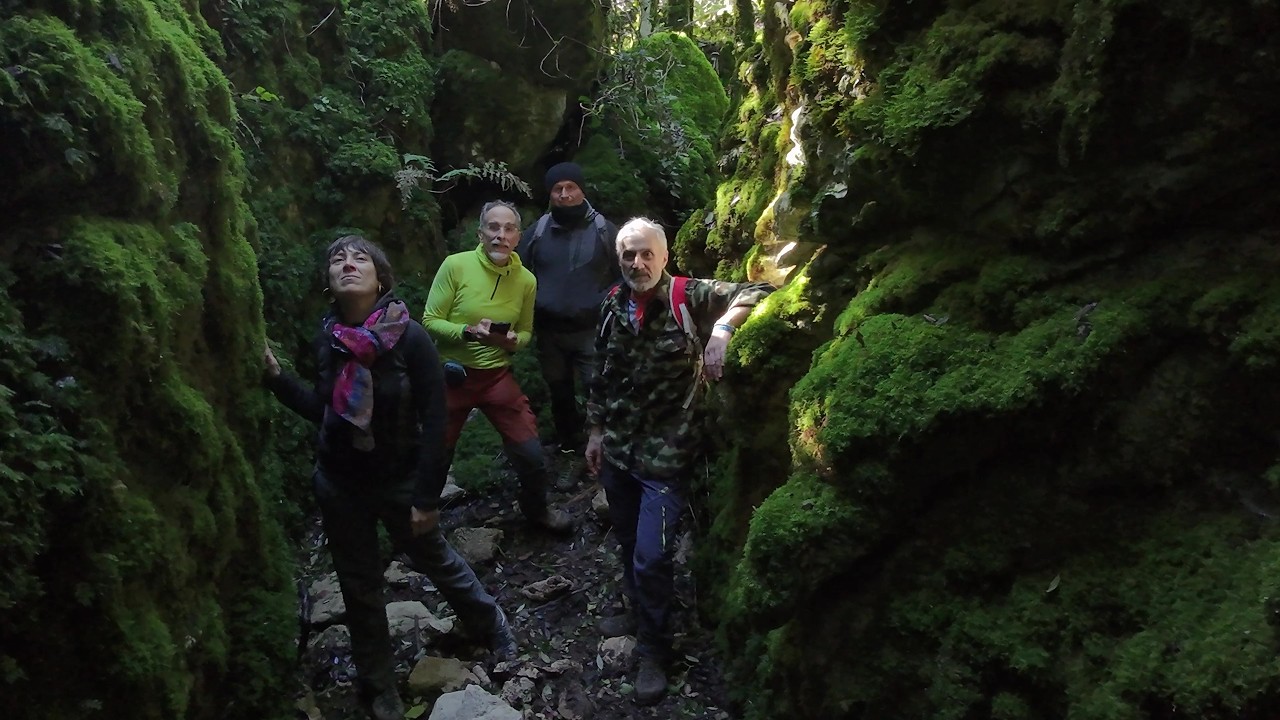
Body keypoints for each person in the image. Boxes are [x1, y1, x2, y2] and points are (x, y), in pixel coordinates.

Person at [263, 235, 516, 720]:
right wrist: (278, 381)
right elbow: (325, 411)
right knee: (358, 585)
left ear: (380, 279)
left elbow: (436, 416)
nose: (348, 264)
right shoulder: (328, 340)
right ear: (328, 282)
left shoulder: (410, 336)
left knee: (433, 557)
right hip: (340, 483)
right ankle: (379, 686)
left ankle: (489, 621)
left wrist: (426, 495)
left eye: (360, 258)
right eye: (337, 258)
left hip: (400, 478)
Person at [584, 217, 775, 705]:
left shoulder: (688, 296)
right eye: (629, 254)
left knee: (653, 554)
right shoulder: (612, 304)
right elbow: (600, 372)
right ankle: (637, 610)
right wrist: (595, 431)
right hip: (621, 451)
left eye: (647, 253)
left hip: (667, 457)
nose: (637, 263)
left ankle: (654, 649)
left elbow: (759, 287)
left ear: (664, 256)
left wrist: (724, 330)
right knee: (628, 541)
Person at [422, 201, 573, 532]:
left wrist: (511, 342)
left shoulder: (526, 281)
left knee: (531, 453)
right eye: (493, 227)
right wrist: (467, 333)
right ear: (480, 232)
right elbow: (430, 320)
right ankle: (422, 521)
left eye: (508, 229)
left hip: (496, 376)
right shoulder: (455, 266)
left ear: (518, 236)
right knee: (435, 453)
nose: (500, 235)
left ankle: (537, 511)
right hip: (452, 375)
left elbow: (526, 332)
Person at [521, 162, 620, 487]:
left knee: (599, 389)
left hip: (592, 331)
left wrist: (610, 306)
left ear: (581, 190)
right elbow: (517, 274)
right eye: (557, 189)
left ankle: (606, 452)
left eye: (570, 187)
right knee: (560, 393)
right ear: (550, 194)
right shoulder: (536, 232)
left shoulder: (606, 231)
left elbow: (626, 275)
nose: (564, 194)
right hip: (550, 333)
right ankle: (569, 449)